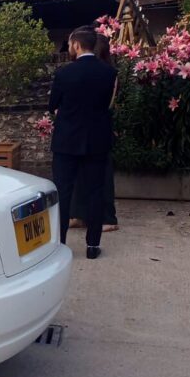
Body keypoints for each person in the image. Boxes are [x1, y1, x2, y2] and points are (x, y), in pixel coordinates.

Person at [49, 26, 118, 260]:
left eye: (69, 45)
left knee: (63, 192)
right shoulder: (109, 73)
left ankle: (60, 243)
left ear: (77, 45)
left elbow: (52, 104)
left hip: (67, 139)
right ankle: (92, 245)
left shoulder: (64, 73)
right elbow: (107, 104)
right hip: (97, 139)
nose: (68, 49)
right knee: (95, 192)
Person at [70, 34, 120, 234]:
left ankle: (107, 217)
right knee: (80, 174)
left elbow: (108, 103)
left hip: (96, 128)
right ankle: (79, 215)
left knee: (102, 175)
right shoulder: (97, 72)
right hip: (86, 127)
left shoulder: (107, 74)